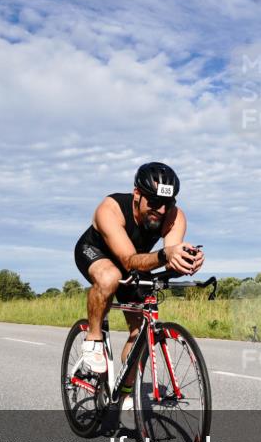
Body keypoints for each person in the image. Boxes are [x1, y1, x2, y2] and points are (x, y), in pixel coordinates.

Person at [72, 162, 204, 409]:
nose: (161, 210)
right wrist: (166, 255)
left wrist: (185, 260)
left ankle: (124, 391)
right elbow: (130, 260)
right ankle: (93, 337)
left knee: (140, 331)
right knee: (109, 276)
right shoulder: (110, 209)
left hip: (135, 262)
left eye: (167, 203)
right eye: (153, 202)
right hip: (96, 252)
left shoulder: (174, 216)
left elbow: (169, 253)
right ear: (137, 194)